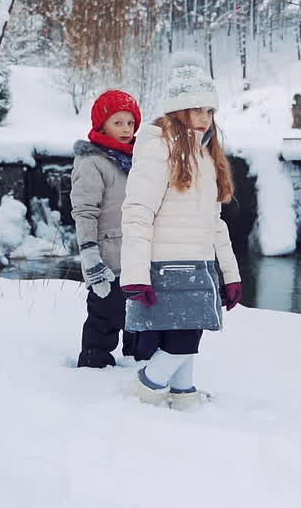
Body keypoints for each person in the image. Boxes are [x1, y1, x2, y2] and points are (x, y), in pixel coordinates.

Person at [120, 53, 243, 411]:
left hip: (200, 262)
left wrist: (230, 274)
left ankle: (182, 392)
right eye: (195, 110)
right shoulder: (160, 150)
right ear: (177, 111)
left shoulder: (206, 156)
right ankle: (147, 387)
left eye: (209, 111)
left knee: (186, 332)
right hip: (169, 264)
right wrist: (136, 274)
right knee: (185, 338)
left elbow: (215, 222)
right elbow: (137, 212)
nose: (204, 118)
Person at [70, 89, 143, 368]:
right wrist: (90, 257)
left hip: (137, 257)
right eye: (118, 122)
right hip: (108, 260)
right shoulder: (92, 163)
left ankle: (137, 366)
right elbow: (84, 212)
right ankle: (93, 366)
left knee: (139, 319)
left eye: (130, 123)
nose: (126, 129)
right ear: (102, 125)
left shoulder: (137, 161)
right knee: (105, 316)